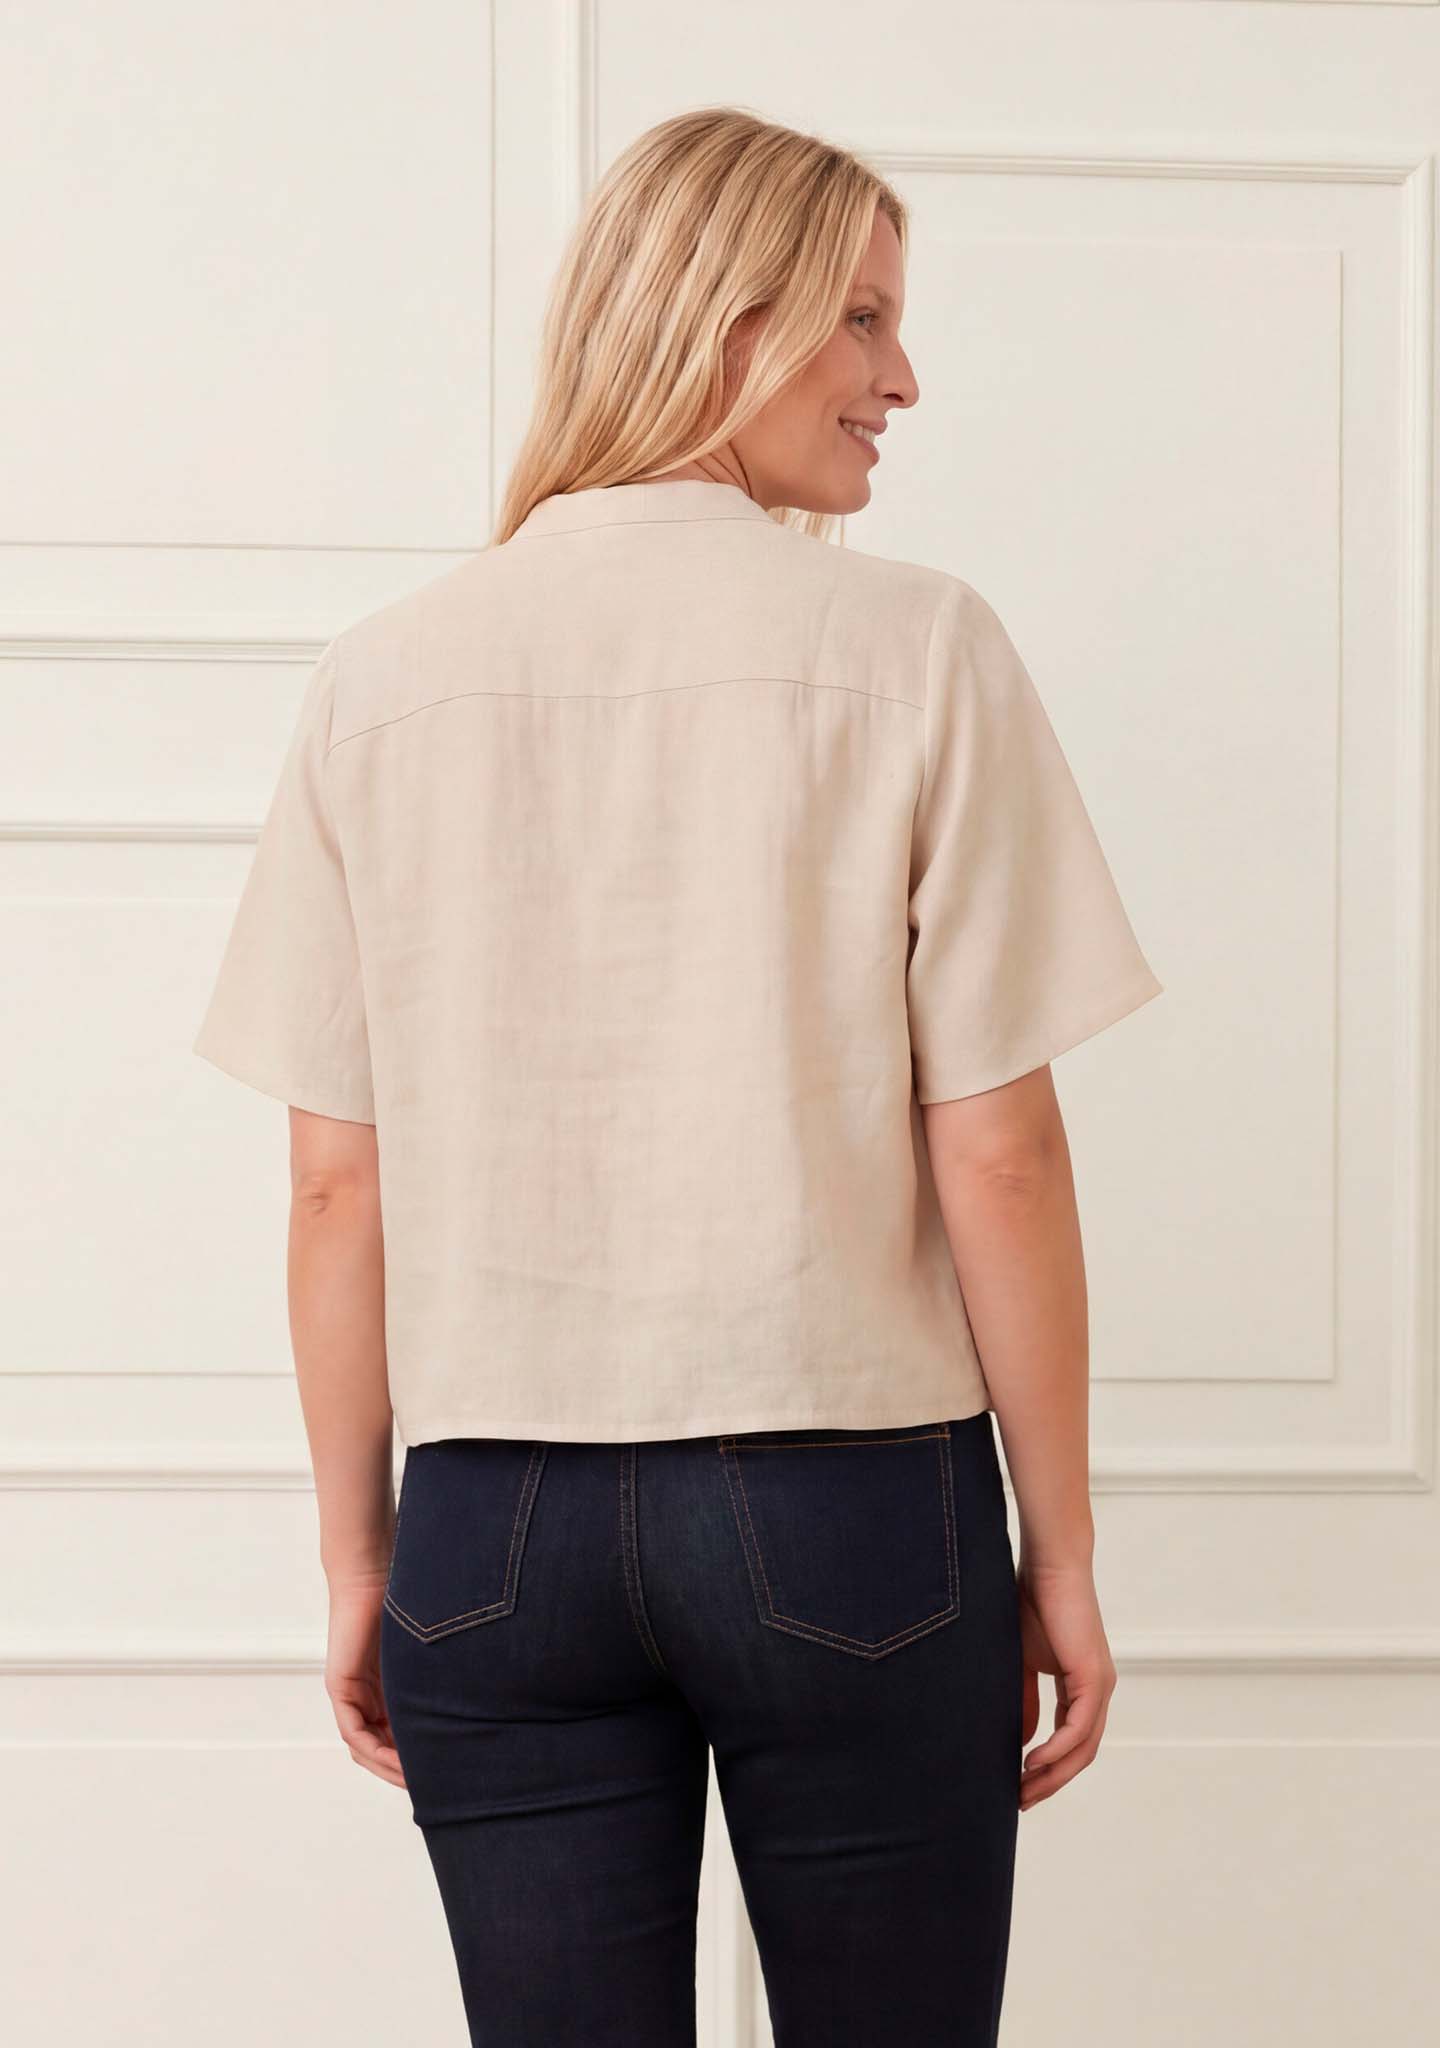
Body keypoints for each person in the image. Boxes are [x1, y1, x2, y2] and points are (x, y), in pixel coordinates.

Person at [192, 105, 1163, 2048]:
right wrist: (1058, 1551)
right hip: (856, 1510)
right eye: (864, 319)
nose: (903, 379)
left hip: (493, 1532)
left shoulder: (381, 681)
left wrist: (361, 1558)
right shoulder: (916, 650)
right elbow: (1003, 1154)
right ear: (734, 322)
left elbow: (332, 1182)